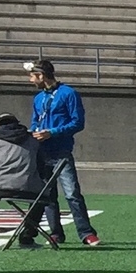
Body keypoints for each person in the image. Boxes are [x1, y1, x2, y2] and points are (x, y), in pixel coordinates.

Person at [24, 58, 98, 247]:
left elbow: (77, 123)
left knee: (72, 192)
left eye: (33, 76)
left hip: (61, 152)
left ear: (41, 75)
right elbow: (34, 122)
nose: (31, 81)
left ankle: (86, 233)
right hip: (42, 152)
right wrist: (34, 132)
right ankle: (56, 233)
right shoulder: (38, 98)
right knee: (48, 195)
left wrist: (52, 133)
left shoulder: (69, 93)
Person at [0, 113, 47, 250]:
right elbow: (41, 168)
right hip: (28, 188)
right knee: (41, 197)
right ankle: (27, 235)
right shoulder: (33, 141)